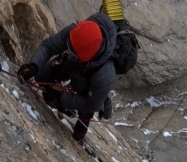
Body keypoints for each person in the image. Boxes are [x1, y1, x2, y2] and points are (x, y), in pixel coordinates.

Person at [18, 12, 117, 141]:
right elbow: (49, 46)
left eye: (73, 52)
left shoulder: (105, 74)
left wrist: (61, 97)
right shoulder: (76, 33)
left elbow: (91, 104)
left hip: (88, 85)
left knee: (85, 110)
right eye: (69, 47)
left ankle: (83, 121)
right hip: (71, 65)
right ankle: (61, 103)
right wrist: (34, 65)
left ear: (86, 58)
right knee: (41, 79)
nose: (69, 52)